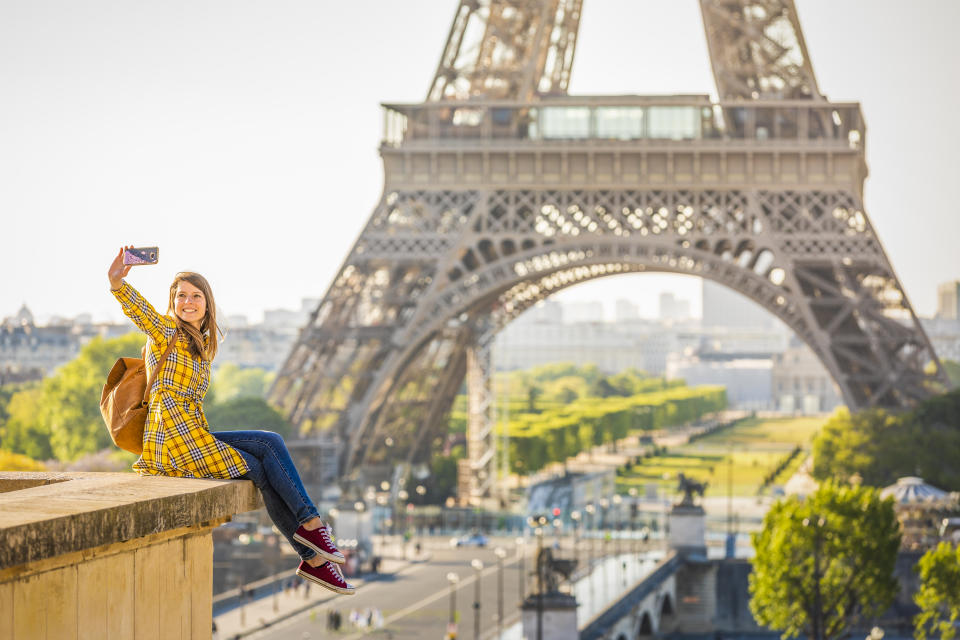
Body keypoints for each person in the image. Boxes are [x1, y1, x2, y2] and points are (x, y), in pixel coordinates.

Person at [107, 246, 355, 595]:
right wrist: (117, 280)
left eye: (196, 296)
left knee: (270, 443)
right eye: (181, 296)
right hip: (173, 444)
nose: (188, 302)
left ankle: (312, 550)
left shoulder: (201, 346)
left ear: (207, 303)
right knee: (262, 463)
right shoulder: (166, 332)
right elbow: (139, 310)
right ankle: (312, 537)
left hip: (192, 435)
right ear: (172, 302)